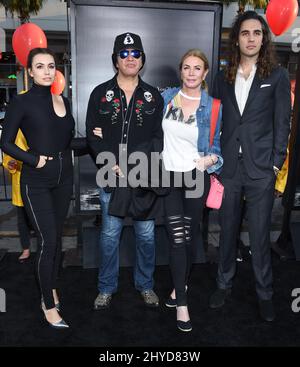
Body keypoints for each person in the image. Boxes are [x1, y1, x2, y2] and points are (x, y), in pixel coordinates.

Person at [209, 11, 291, 322]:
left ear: (264, 38)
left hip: (260, 171)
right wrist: (214, 160)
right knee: (227, 232)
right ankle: (223, 284)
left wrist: (274, 164)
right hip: (229, 168)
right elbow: (214, 121)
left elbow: (282, 123)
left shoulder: (278, 76)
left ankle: (265, 294)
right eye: (245, 33)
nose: (251, 38)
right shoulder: (222, 76)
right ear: (237, 38)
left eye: (257, 33)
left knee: (258, 236)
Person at [86, 32, 164, 310]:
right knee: (109, 234)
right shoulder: (100, 93)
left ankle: (145, 285)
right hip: (111, 175)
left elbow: (157, 138)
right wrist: (111, 162)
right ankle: (106, 287)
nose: (130, 58)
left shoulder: (153, 96)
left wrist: (130, 160)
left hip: (142, 175)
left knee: (146, 235)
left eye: (136, 54)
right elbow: (92, 136)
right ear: (115, 59)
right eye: (124, 53)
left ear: (142, 59)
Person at [0, 47, 75, 329]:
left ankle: (51, 287)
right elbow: (5, 142)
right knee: (49, 242)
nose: (46, 71)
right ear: (29, 71)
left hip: (64, 179)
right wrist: (34, 159)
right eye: (40, 66)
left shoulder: (63, 101)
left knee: (56, 244)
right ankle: (48, 303)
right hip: (36, 181)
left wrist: (96, 140)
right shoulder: (21, 102)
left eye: (51, 66)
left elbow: (65, 143)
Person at [161, 49, 223, 332]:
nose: (191, 72)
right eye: (186, 67)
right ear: (181, 70)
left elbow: (217, 150)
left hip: (196, 177)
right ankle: (182, 303)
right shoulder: (166, 98)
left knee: (187, 238)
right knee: (176, 238)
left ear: (205, 72)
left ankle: (179, 286)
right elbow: (143, 123)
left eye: (197, 68)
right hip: (169, 175)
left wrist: (212, 159)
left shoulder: (213, 107)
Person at [3, 130, 32, 263]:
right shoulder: (14, 129)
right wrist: (10, 164)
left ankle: (45, 247)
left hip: (37, 176)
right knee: (22, 218)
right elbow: (8, 156)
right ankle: (25, 248)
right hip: (20, 178)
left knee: (40, 216)